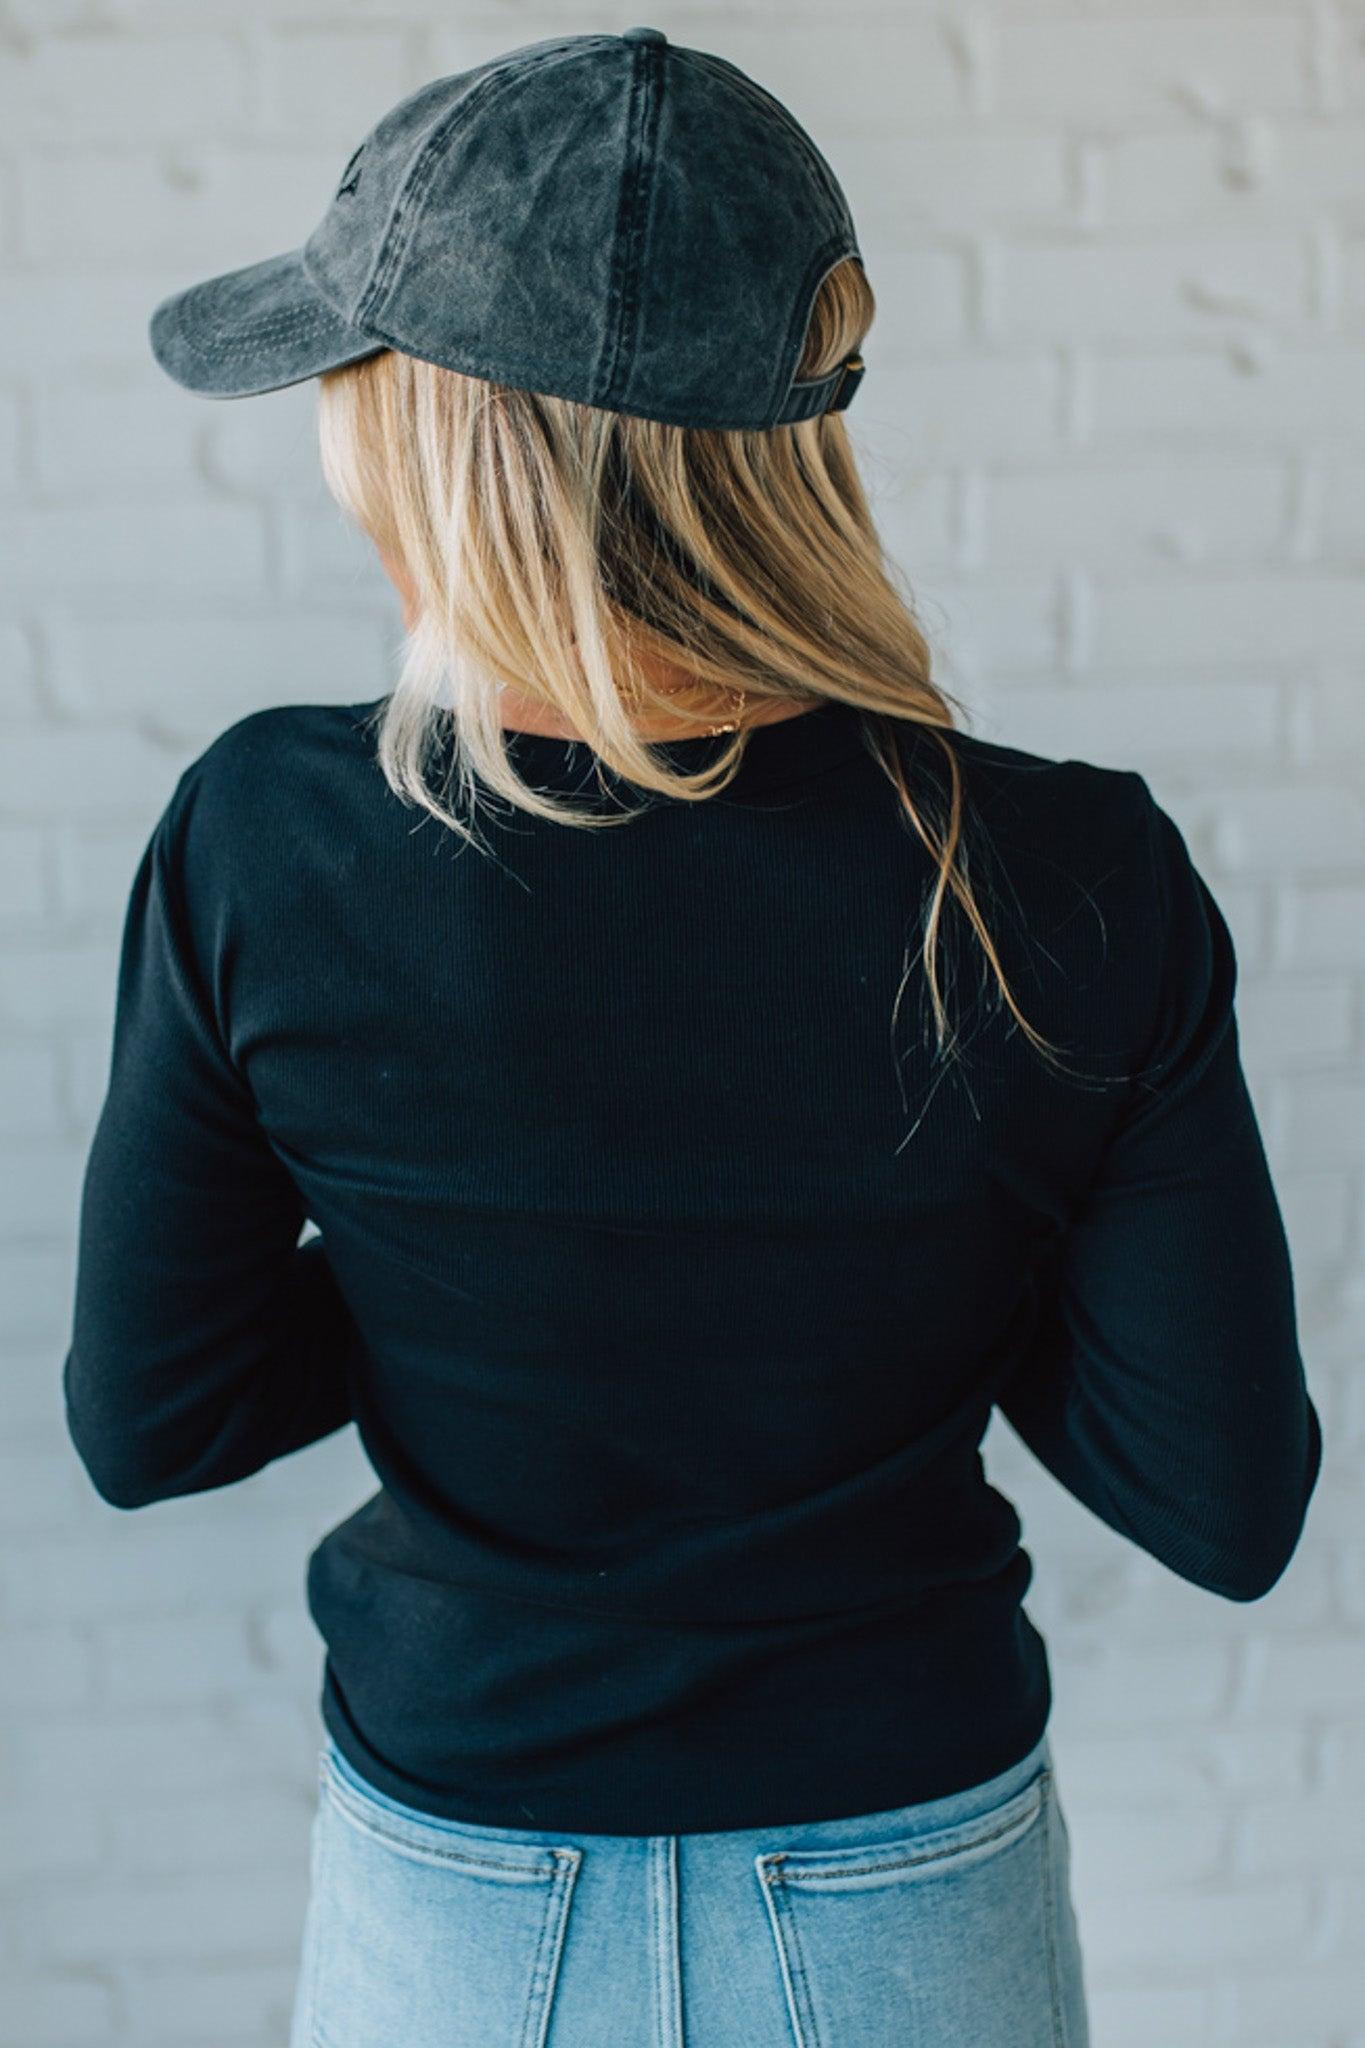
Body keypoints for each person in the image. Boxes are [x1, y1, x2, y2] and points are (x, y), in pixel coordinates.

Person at [61, 29, 1322, 2048]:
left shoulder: (268, 841)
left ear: (424, 431)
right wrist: (898, 1243)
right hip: (911, 1883)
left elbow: (155, 1417)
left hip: (458, 1893)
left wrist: (471, 1264)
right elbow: (1221, 1497)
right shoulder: (1060, 873)